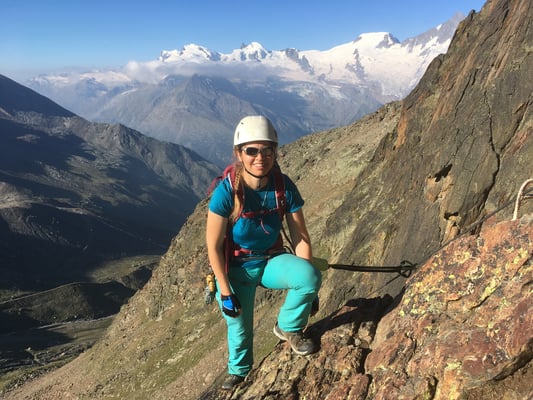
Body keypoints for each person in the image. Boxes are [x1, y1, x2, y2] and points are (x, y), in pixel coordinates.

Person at [206, 115, 322, 390]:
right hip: (236, 267)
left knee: (309, 276)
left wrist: (310, 289)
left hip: (271, 260)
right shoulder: (226, 192)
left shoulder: (283, 187)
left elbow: (300, 237)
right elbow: (213, 245)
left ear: (275, 152)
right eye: (252, 151)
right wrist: (225, 291)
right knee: (238, 325)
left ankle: (288, 327)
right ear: (239, 154)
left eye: (267, 150)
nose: (261, 157)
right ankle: (239, 372)